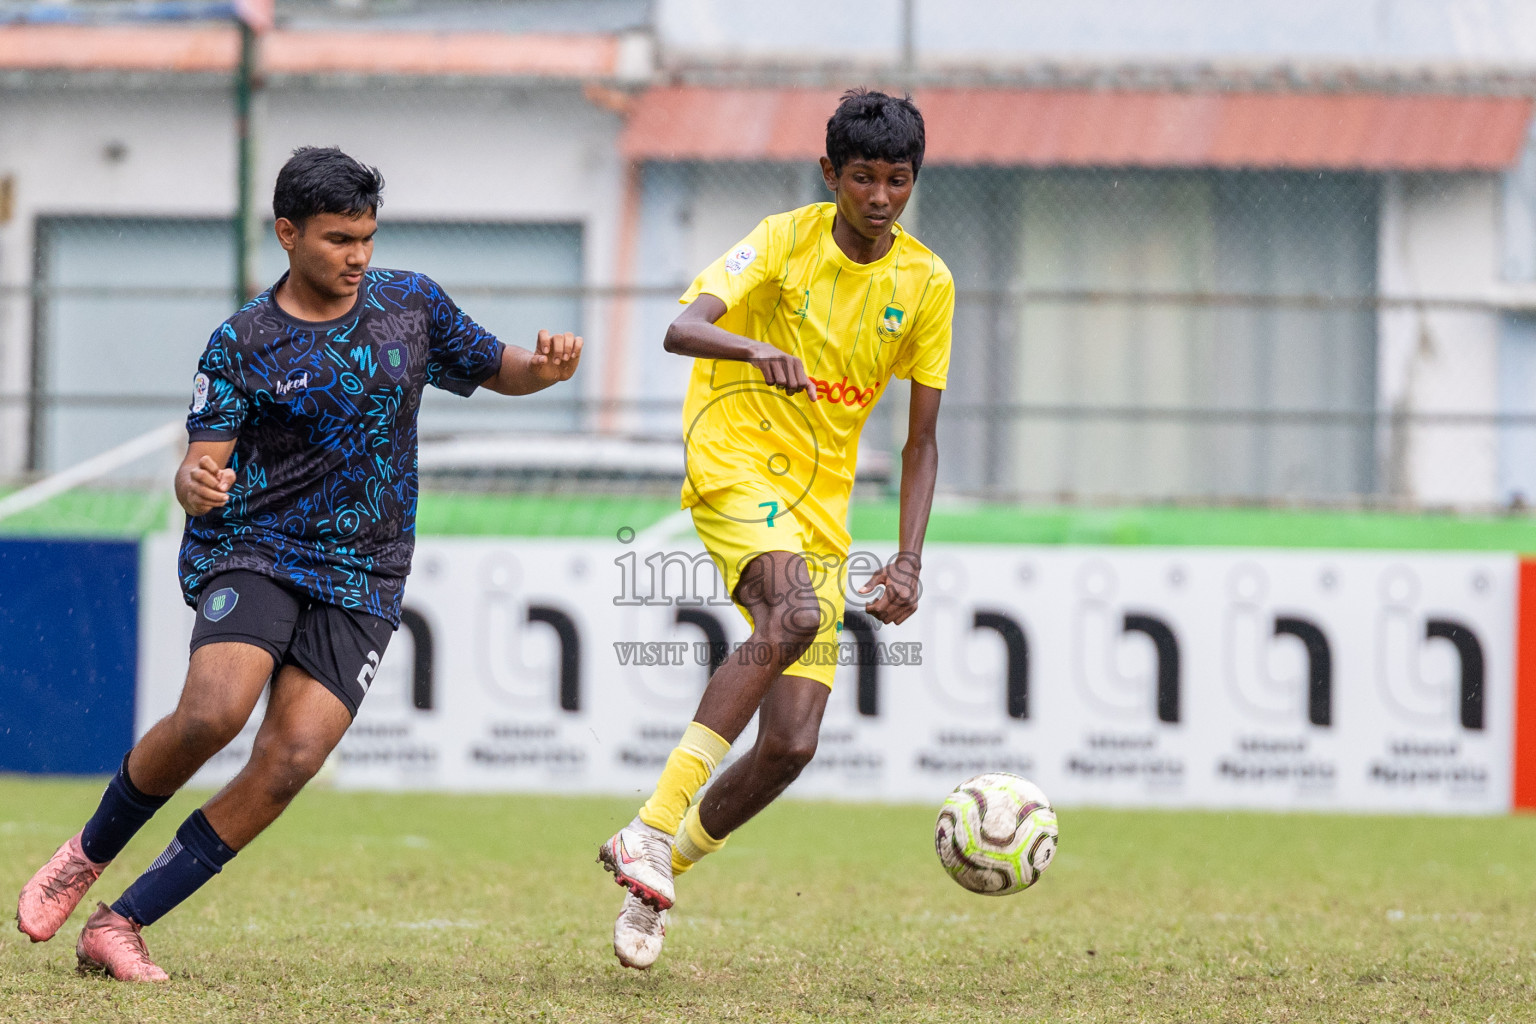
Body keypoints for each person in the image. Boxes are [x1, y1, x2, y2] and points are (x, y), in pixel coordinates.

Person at [15, 146, 582, 982]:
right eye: (337, 239)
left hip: (368, 568)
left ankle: (122, 923)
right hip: (257, 547)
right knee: (214, 713)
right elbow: (197, 465)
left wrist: (548, 368)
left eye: (367, 237)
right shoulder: (244, 340)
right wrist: (194, 481)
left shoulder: (412, 304)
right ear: (287, 234)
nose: (357, 256)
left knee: (293, 757)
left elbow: (504, 369)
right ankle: (85, 853)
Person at [598, 89, 953, 969]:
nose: (879, 197)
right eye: (862, 177)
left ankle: (655, 875)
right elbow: (681, 329)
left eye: (897, 180)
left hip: (822, 507)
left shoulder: (927, 284)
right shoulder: (781, 240)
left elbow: (922, 443)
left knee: (792, 744)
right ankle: (649, 825)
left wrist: (909, 559)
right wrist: (753, 348)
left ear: (913, 182)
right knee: (790, 613)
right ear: (829, 173)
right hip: (733, 458)